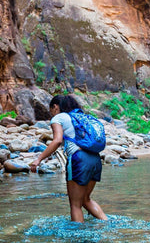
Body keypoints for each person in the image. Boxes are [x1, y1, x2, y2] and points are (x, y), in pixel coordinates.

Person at [30, 95, 107, 223]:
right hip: (95, 159)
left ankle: (78, 239)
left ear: (55, 107)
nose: (51, 114)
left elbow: (57, 140)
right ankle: (106, 223)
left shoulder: (59, 117)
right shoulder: (83, 117)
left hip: (79, 158)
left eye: (51, 110)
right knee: (85, 199)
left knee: (75, 204)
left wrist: (39, 159)